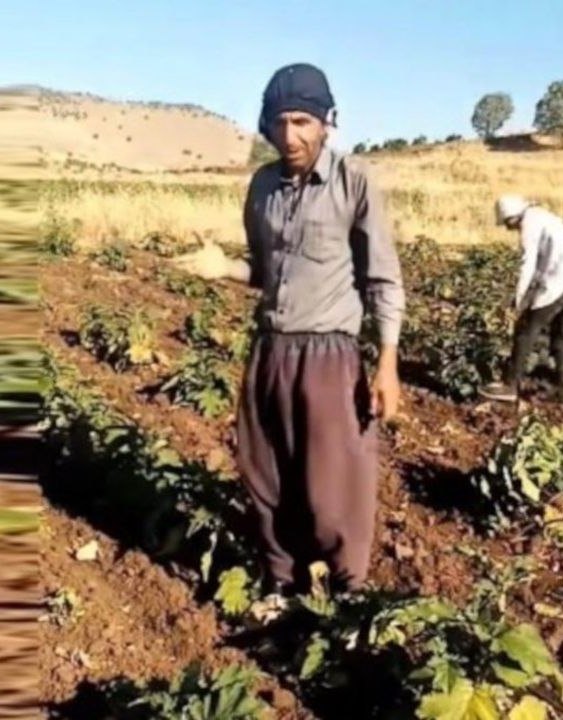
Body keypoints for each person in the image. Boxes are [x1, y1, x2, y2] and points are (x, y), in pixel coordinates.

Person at [172, 63, 405, 599]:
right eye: (279, 122)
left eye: (302, 121)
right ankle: (281, 582)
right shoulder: (262, 186)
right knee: (265, 475)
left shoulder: (354, 180)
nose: (290, 135)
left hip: (330, 354)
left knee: (333, 487)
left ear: (326, 123)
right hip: (270, 350)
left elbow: (382, 278)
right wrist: (223, 268)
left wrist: (388, 363)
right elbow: (264, 271)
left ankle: (348, 592)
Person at [479, 194, 563, 405]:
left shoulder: (529, 224)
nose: (508, 228)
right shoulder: (543, 216)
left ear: (512, 217)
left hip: (562, 282)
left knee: (525, 330)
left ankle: (510, 386)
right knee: (561, 337)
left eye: (507, 223)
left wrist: (519, 302)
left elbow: (528, 264)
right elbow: (544, 266)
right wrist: (529, 297)